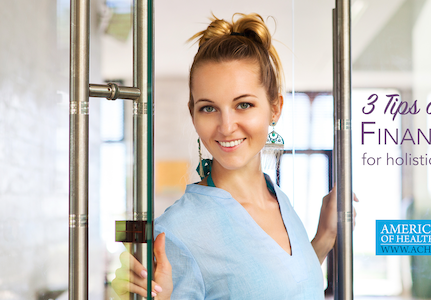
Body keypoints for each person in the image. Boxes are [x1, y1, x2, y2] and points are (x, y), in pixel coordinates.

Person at [112, 12, 356, 299]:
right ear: (192, 113)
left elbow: (282, 289)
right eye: (208, 108)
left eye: (243, 105)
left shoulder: (279, 199)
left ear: (275, 108)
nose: (226, 127)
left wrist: (324, 237)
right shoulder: (175, 233)